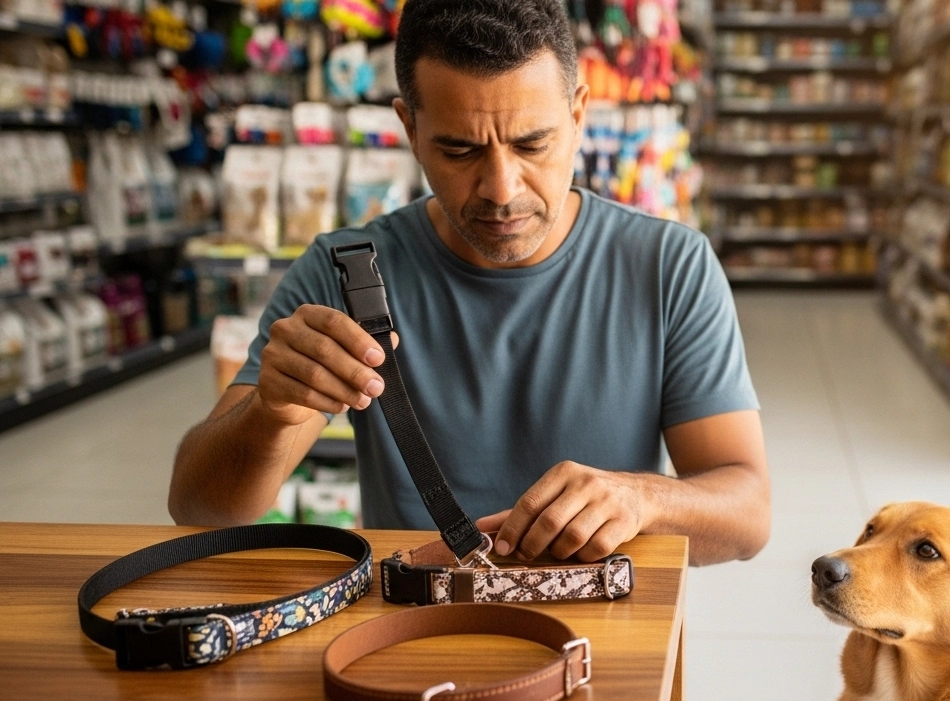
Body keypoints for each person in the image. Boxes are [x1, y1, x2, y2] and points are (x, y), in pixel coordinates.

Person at [168, 0, 770, 567]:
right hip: (414, 625)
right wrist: (271, 412)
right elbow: (200, 511)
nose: (502, 189)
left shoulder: (668, 266)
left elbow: (747, 515)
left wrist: (643, 499)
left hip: (606, 626)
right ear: (409, 129)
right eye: (459, 151)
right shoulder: (346, 274)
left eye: (532, 144)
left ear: (578, 115)